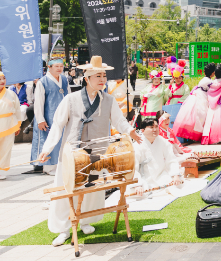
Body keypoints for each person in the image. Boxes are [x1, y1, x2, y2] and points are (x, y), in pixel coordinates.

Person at [37, 56, 142, 247]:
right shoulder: (71, 99)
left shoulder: (108, 99)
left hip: (96, 154)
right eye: (98, 76)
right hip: (72, 154)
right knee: (67, 189)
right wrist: (47, 149)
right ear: (87, 78)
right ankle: (63, 228)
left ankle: (85, 220)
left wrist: (130, 131)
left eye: (104, 75)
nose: (102, 79)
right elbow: (58, 125)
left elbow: (119, 121)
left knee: (92, 188)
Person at [31, 58, 69, 176]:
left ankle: (62, 165)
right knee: (49, 139)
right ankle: (49, 168)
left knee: (62, 140)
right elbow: (38, 103)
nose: (59, 68)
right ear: (49, 67)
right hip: (49, 115)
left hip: (63, 114)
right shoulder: (43, 82)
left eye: (61, 66)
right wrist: (40, 120)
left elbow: (69, 96)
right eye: (56, 66)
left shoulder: (64, 79)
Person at [130, 119, 183, 196]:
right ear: (142, 130)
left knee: (176, 184)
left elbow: (171, 159)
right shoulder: (137, 145)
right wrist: (137, 185)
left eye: (156, 127)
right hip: (144, 178)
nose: (155, 130)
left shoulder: (163, 141)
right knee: (139, 194)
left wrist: (175, 175)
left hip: (161, 175)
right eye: (151, 127)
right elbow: (133, 167)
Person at [172, 63, 214, 141]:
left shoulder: (205, 79)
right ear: (212, 73)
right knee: (200, 115)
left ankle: (192, 135)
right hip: (201, 97)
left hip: (197, 95)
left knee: (194, 116)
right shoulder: (209, 81)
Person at [0, 72, 22, 181]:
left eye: (4, 78)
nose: (2, 81)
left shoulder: (11, 93)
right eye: (0, 79)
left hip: (9, 124)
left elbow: (17, 110)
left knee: (6, 148)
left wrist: (18, 124)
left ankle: (2, 170)